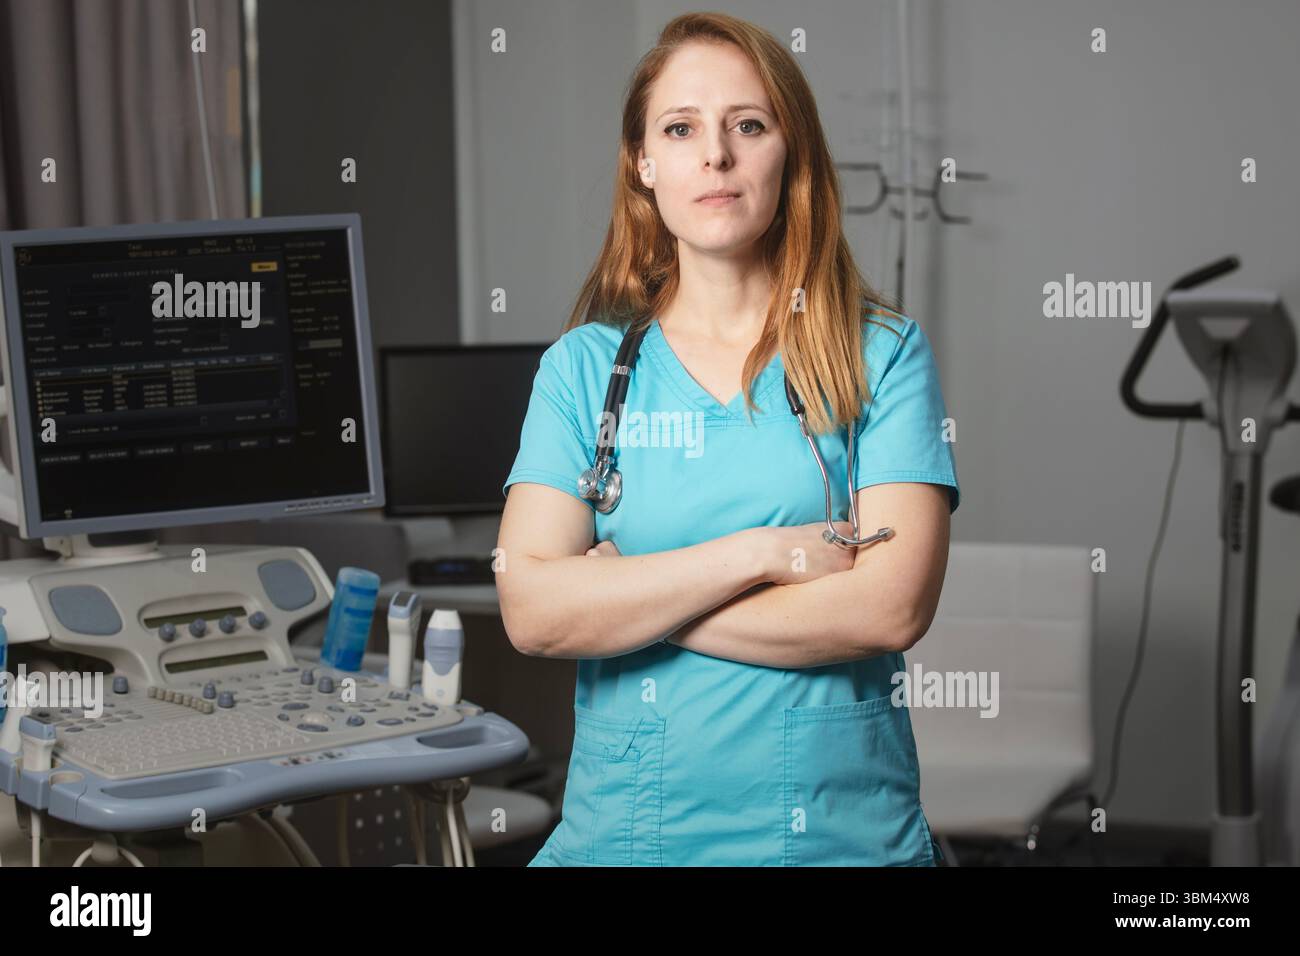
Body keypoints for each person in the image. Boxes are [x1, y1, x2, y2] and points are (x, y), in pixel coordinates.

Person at [496, 11, 959, 866]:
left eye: (748, 126)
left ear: (792, 153)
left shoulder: (880, 356)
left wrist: (631, 598)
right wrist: (762, 555)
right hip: (625, 843)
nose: (715, 155)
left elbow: (890, 606)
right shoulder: (583, 370)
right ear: (645, 162)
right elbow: (532, 612)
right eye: (681, 129)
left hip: (837, 843)